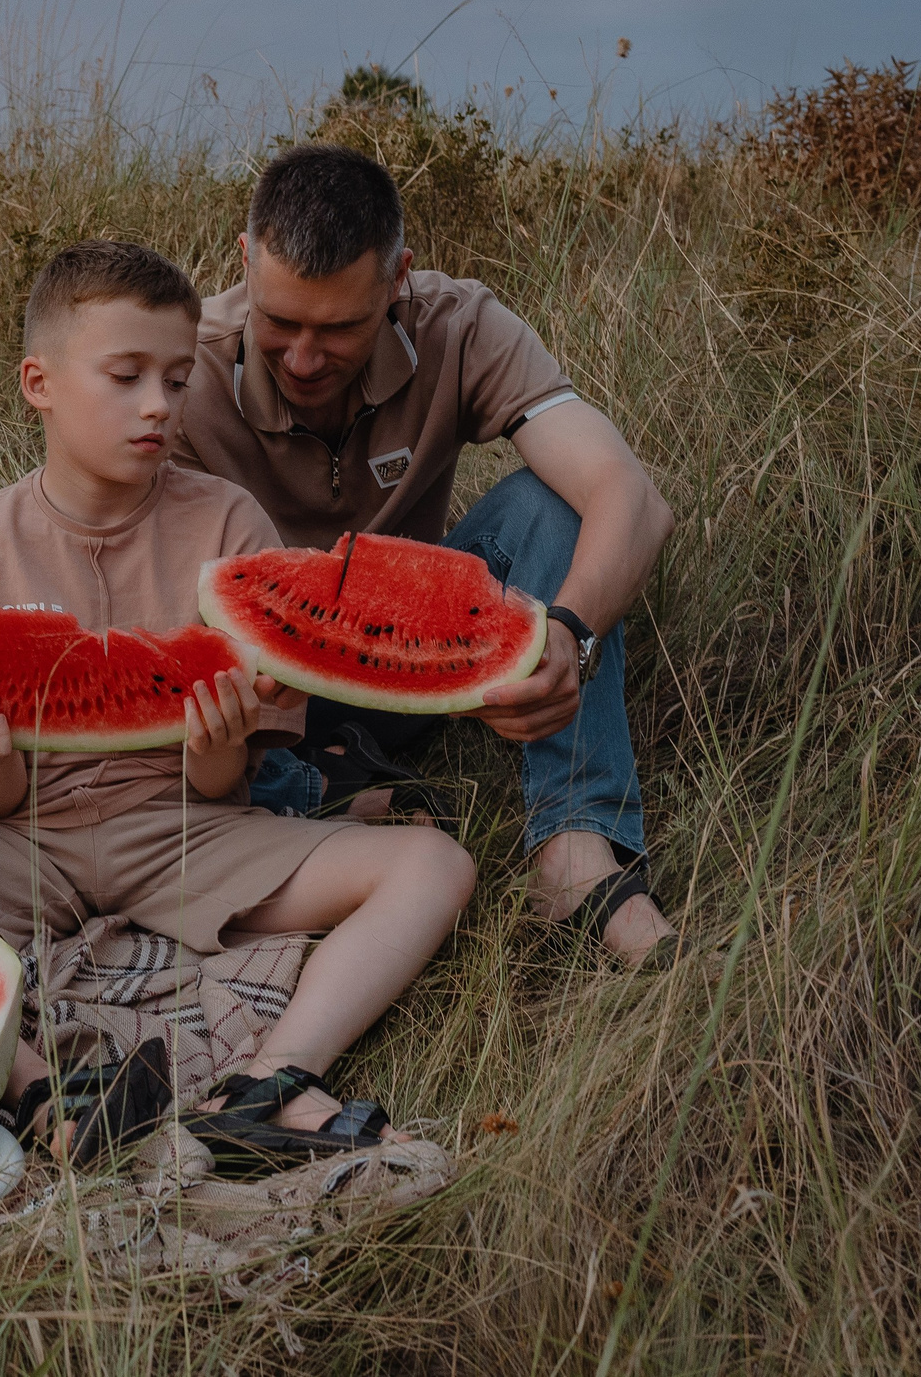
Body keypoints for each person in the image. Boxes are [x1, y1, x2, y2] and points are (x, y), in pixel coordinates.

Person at [0, 241, 477, 1164]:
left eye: (177, 378)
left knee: (433, 864)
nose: (158, 404)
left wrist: (216, 742)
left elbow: (227, 781)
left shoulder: (228, 527)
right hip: (16, 840)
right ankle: (41, 1091)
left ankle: (271, 1081)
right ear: (42, 383)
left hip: (184, 831)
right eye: (126, 375)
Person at [176, 143, 679, 964]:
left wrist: (568, 635)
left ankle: (576, 853)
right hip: (254, 701)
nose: (304, 358)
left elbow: (633, 498)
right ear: (244, 262)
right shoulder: (184, 367)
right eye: (279, 322)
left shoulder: (459, 324)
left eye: (339, 328)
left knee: (549, 506)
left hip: (420, 658)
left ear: (398, 277)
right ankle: (319, 795)